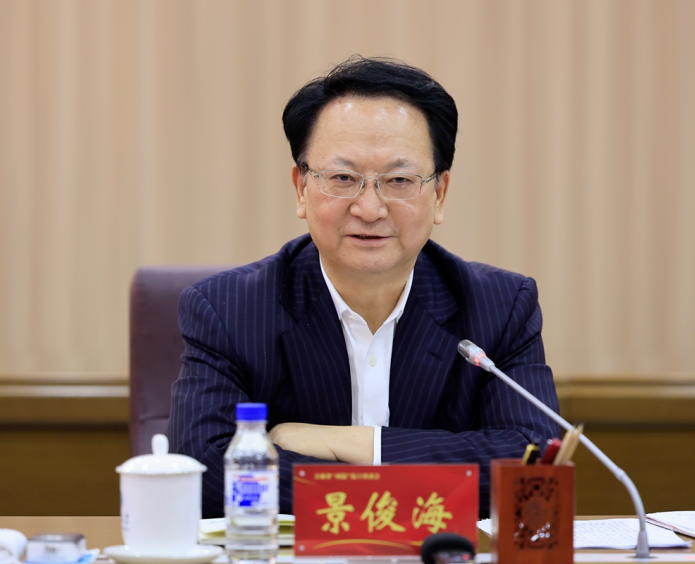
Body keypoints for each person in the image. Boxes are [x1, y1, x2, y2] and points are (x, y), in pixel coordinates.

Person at [168, 56, 560, 518]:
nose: (370, 208)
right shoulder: (227, 309)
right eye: (343, 178)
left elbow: (533, 463)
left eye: (399, 180)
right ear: (301, 189)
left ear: (439, 194)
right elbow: (206, 471)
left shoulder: (500, 307)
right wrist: (412, 486)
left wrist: (354, 444)